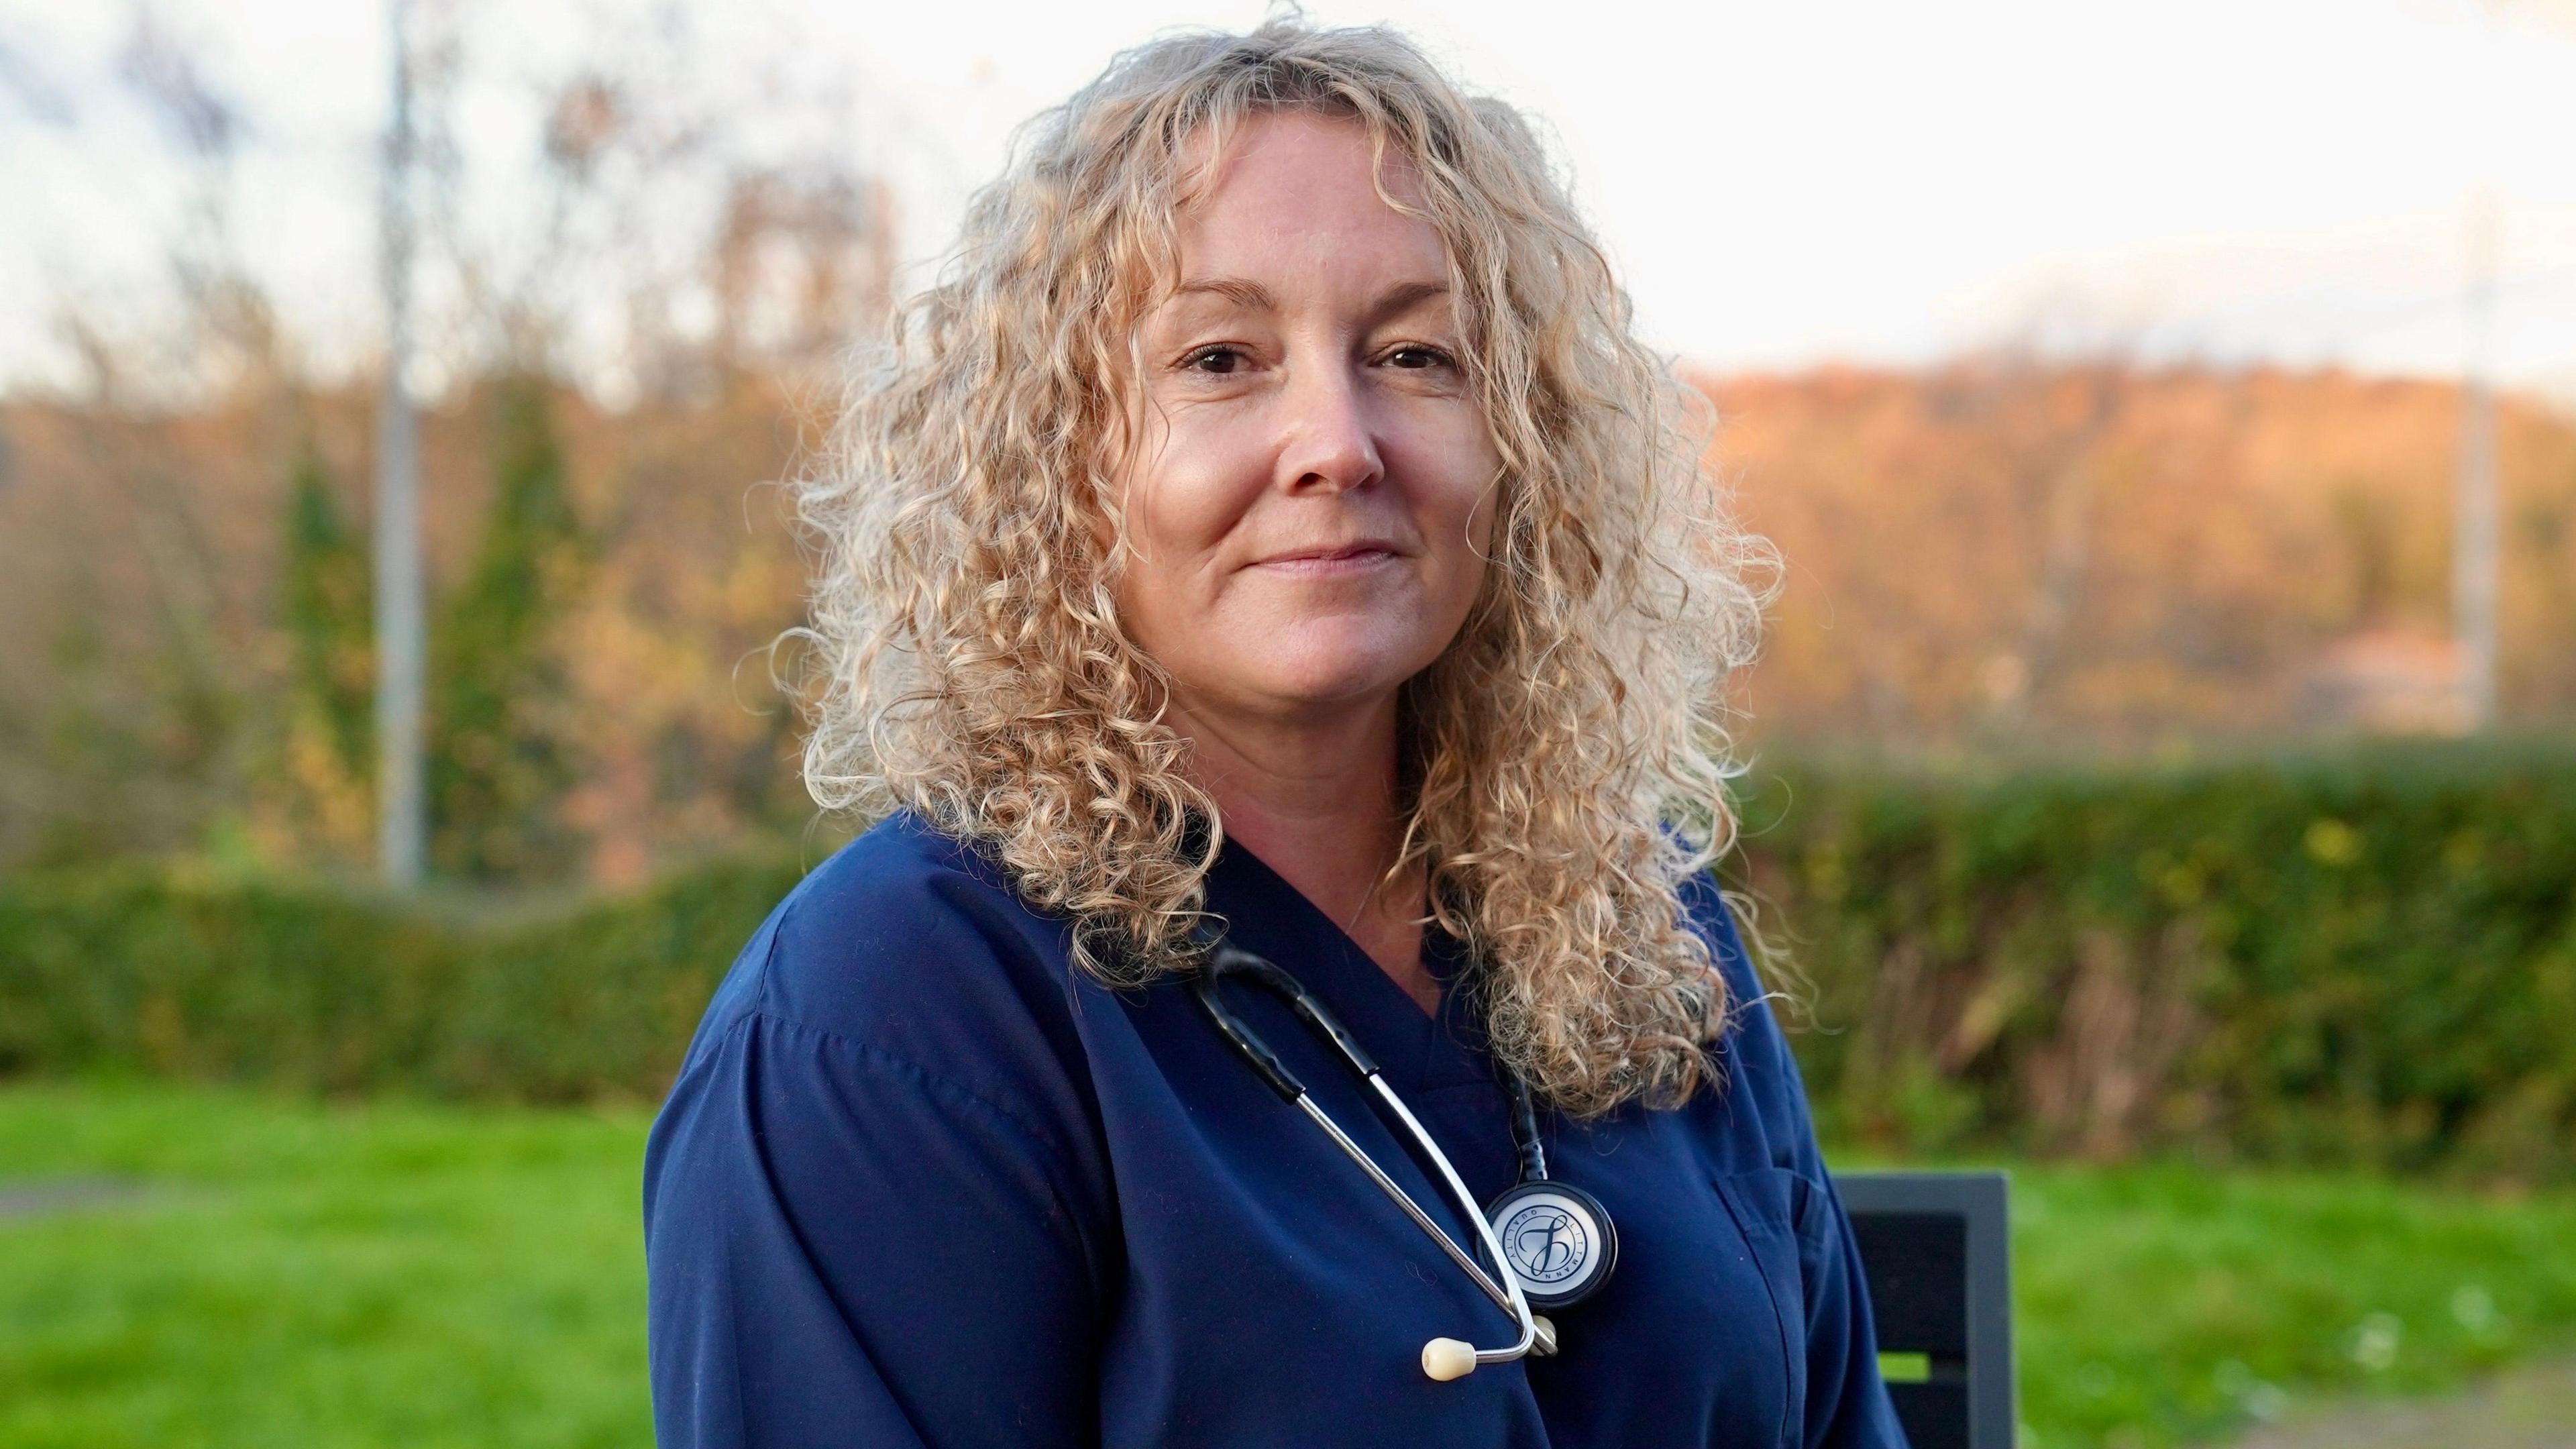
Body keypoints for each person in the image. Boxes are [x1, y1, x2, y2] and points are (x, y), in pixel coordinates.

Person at [644, 17, 1907, 1448]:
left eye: (1421, 354)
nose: (1338, 441)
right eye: (1223, 358)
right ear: (1063, 459)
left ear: (1526, 443)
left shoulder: (1640, 923)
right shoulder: (894, 1017)